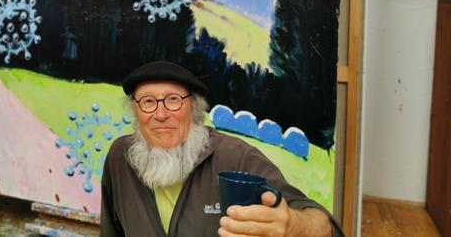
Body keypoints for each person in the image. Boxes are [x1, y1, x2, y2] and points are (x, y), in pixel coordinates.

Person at [100, 60, 344, 237]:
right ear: (136, 113)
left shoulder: (236, 157)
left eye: (173, 100)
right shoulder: (120, 158)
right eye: (148, 102)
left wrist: (292, 225)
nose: (161, 114)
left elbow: (324, 227)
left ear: (194, 110)